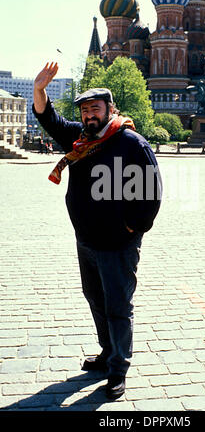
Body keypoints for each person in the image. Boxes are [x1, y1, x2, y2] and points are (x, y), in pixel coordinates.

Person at [32, 62, 162, 400]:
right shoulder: (81, 139)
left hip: (118, 243)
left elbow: (151, 193)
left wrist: (133, 228)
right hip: (86, 241)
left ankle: (118, 370)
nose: (90, 115)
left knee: (118, 305)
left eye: (95, 109)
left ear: (110, 109)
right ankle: (108, 353)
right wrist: (40, 91)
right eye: (85, 110)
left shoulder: (130, 142)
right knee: (96, 300)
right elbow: (51, 121)